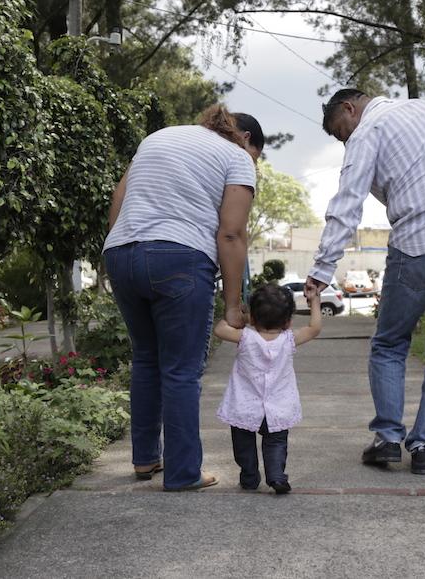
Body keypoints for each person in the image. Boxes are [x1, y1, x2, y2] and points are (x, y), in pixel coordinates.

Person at [305, 89, 425, 475]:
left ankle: (389, 438)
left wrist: (322, 269)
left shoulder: (368, 129)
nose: (345, 142)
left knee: (390, 343)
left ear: (349, 108)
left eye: (342, 133)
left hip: (422, 247)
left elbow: (347, 203)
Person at [104, 105, 263, 491]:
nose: (253, 162)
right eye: (256, 155)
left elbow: (118, 202)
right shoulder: (237, 157)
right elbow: (231, 234)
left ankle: (145, 459)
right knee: (181, 370)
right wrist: (232, 305)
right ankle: (182, 473)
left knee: (146, 359)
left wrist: (126, 253)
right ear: (245, 140)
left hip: (121, 252)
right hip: (180, 258)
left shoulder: (157, 138)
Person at [214, 283, 322, 494]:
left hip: (244, 406)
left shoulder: (245, 337)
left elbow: (219, 329)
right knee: (276, 444)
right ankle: (276, 476)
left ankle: (249, 477)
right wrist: (315, 300)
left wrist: (242, 318)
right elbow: (314, 328)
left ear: (253, 318)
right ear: (289, 321)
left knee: (243, 445)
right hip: (278, 407)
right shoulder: (289, 340)